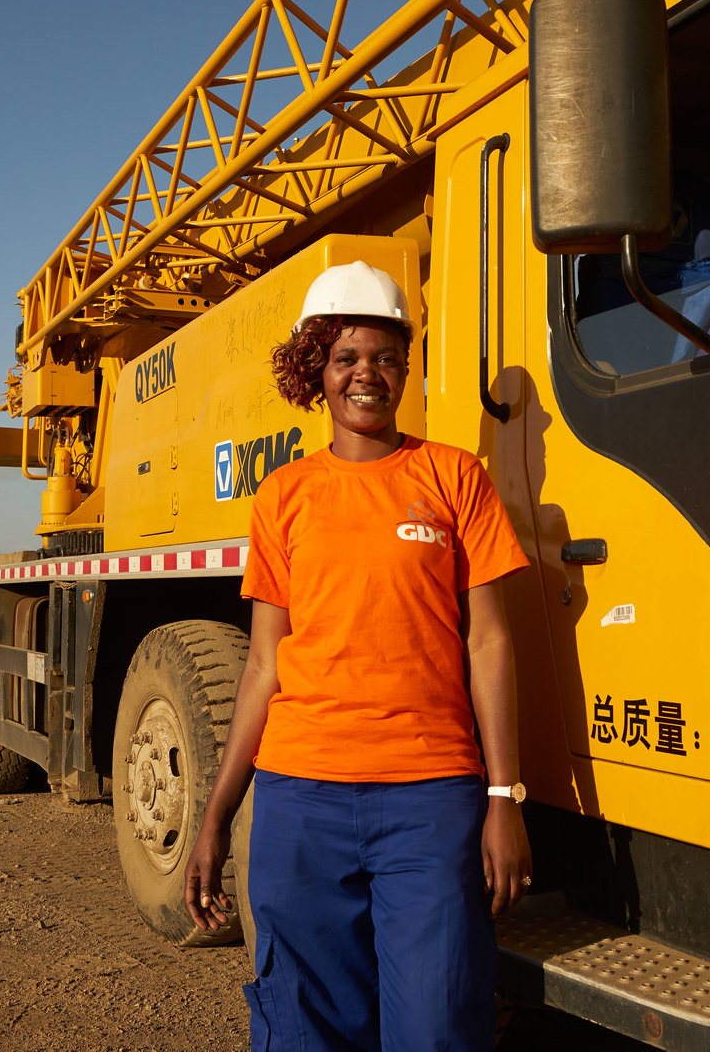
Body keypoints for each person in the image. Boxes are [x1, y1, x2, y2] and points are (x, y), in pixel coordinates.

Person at [183, 260, 532, 1052]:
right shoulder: (285, 494)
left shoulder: (453, 477)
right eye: (345, 358)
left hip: (430, 800)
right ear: (318, 370)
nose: (365, 375)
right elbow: (264, 666)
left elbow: (489, 639)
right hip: (299, 803)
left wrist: (505, 796)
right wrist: (215, 813)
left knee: (439, 1026)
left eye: (383, 357)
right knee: (306, 1026)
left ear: (406, 368)